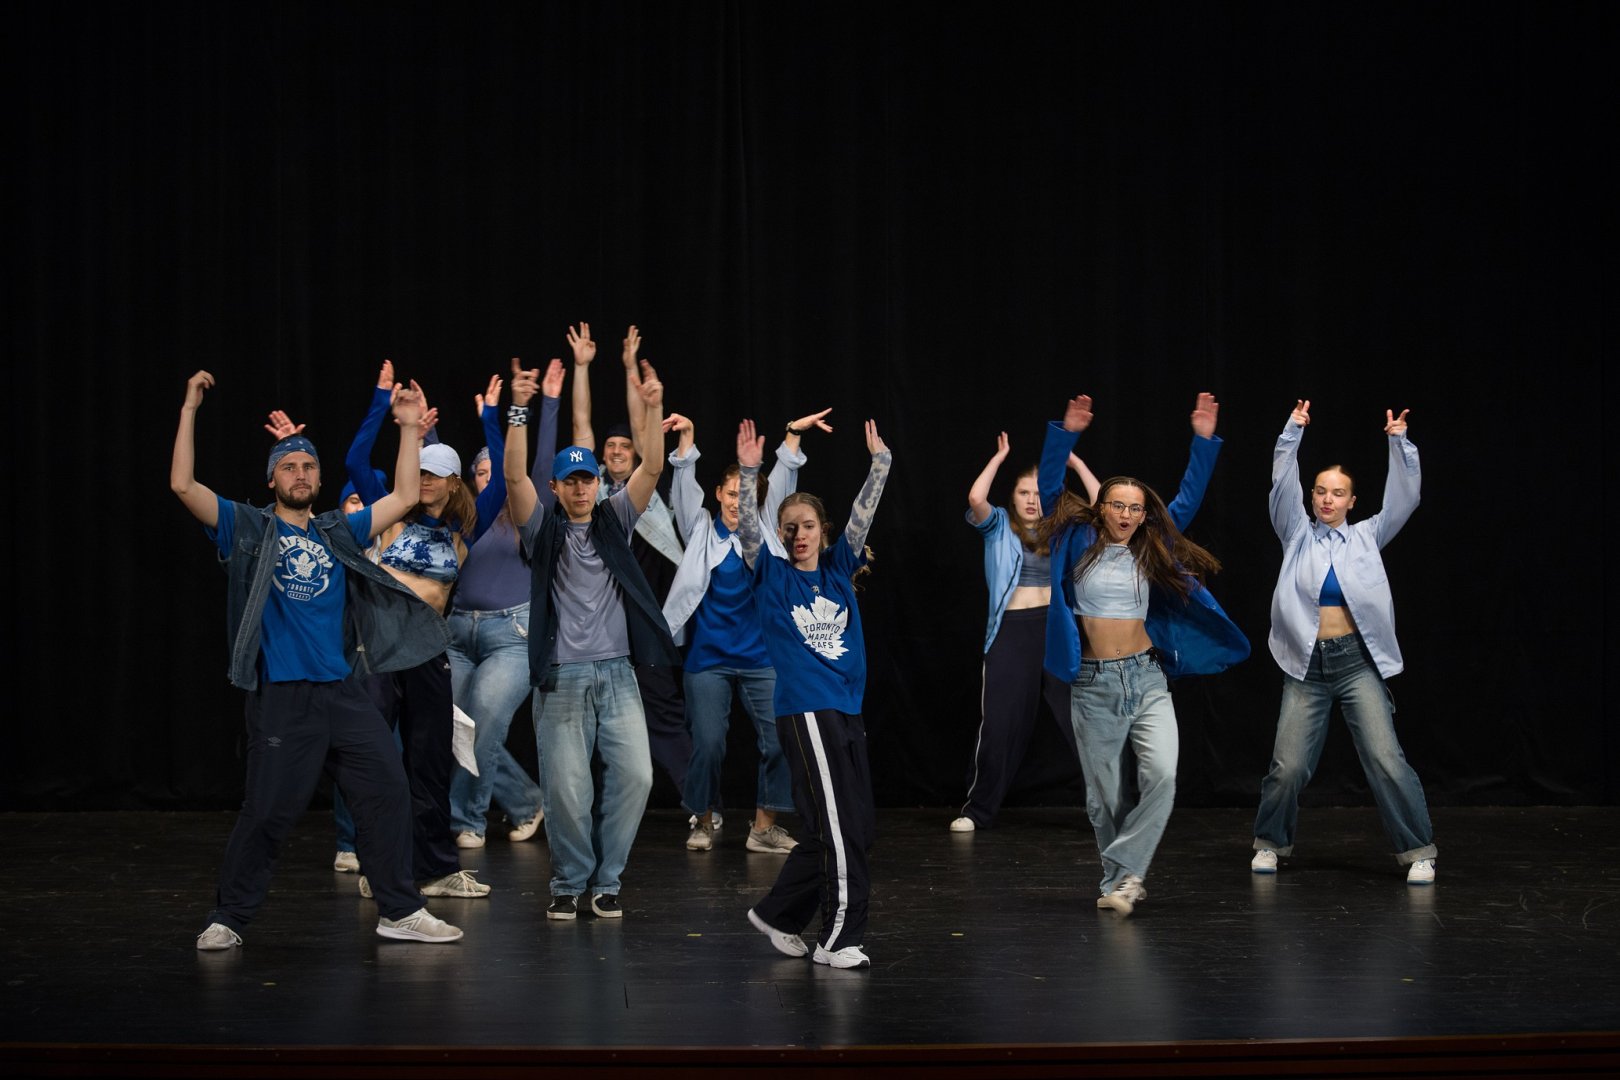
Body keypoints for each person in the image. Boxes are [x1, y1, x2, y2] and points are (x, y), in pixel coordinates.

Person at [171, 370, 462, 948]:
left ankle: (399, 910)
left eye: (308, 467)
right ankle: (229, 918)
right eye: (288, 467)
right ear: (271, 478)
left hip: (343, 693)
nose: (300, 474)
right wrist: (189, 410)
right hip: (284, 696)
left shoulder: (336, 532)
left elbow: (404, 497)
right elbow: (183, 485)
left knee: (387, 792)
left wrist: (409, 428)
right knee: (268, 813)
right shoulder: (248, 527)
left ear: (320, 478)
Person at [1038, 392, 1248, 916]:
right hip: (1093, 683)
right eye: (1119, 505)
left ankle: (1125, 872)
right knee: (1104, 796)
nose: (1128, 515)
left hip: (1147, 677)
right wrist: (1066, 434)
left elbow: (1189, 498)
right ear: (1101, 507)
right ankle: (1122, 881)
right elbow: (1049, 488)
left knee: (1163, 777)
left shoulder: (1152, 544)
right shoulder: (1075, 538)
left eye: (1136, 508)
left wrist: (1203, 441)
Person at [506, 355, 680, 921]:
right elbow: (513, 479)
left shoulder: (614, 519)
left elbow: (653, 467)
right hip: (561, 677)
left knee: (637, 776)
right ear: (555, 487)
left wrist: (653, 407)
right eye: (571, 481)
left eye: (588, 479)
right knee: (566, 791)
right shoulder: (542, 528)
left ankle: (607, 881)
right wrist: (519, 410)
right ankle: (569, 882)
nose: (581, 488)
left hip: (617, 673)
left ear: (597, 483)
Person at [1250, 401, 1437, 884]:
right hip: (1306, 666)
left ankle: (1418, 849)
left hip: (1356, 663)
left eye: (1338, 493)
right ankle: (1270, 842)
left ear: (1352, 501)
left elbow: (1406, 497)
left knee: (1385, 760)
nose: (1327, 500)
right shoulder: (1296, 534)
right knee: (1288, 766)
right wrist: (1292, 431)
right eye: (1320, 491)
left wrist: (1399, 442)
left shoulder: (1368, 536)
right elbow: (1281, 482)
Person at [343, 360, 501, 900]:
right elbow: (355, 460)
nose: (425, 480)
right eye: (421, 472)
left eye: (434, 474)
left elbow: (502, 480)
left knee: (429, 766)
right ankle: (377, 866)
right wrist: (381, 401)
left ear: (453, 482)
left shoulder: (464, 530)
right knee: (375, 763)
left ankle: (435, 869)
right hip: (381, 653)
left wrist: (494, 419)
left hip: (429, 654)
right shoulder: (390, 512)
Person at [737, 417, 891, 969]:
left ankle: (780, 914)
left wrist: (880, 464)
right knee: (840, 831)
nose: (798, 534)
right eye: (788, 528)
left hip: (846, 710)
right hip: (807, 711)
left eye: (806, 526)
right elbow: (748, 532)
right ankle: (839, 938)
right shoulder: (772, 577)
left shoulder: (838, 568)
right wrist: (750, 473)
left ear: (822, 530)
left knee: (855, 829)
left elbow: (862, 517)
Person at [662, 408, 827, 854]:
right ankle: (704, 818)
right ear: (718, 494)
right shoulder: (699, 528)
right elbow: (682, 487)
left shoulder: (767, 531)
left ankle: (763, 827)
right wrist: (686, 440)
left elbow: (784, 480)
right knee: (708, 745)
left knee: (781, 740)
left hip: (762, 659)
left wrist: (792, 436)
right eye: (731, 494)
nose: (738, 502)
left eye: (746, 495)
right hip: (708, 661)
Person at [569, 323, 694, 812]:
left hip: (652, 616)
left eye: (625, 448)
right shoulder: (593, 490)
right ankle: (604, 811)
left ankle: (700, 808)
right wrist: (582, 367)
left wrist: (628, 370)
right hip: (603, 619)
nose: (619, 452)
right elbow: (581, 425)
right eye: (611, 448)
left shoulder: (649, 487)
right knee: (600, 719)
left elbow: (646, 432)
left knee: (664, 713)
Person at [953, 435, 1100, 833]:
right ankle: (977, 810)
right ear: (1013, 497)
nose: (1031, 500)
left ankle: (1106, 810)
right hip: (1012, 632)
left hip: (1056, 630)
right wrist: (999, 457)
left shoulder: (1063, 529)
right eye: (1023, 493)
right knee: (999, 724)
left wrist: (1076, 464)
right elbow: (976, 497)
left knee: (1082, 722)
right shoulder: (999, 526)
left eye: (1037, 493)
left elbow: (1102, 507)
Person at [444, 362, 563, 849]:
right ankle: (526, 800)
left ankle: (467, 820)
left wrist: (547, 404)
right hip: (456, 632)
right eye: (482, 473)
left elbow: (538, 465)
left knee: (484, 722)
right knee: (453, 725)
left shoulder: (527, 519)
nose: (491, 476)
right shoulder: (464, 522)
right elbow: (437, 479)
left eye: (496, 470)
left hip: (511, 634)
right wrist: (424, 430)